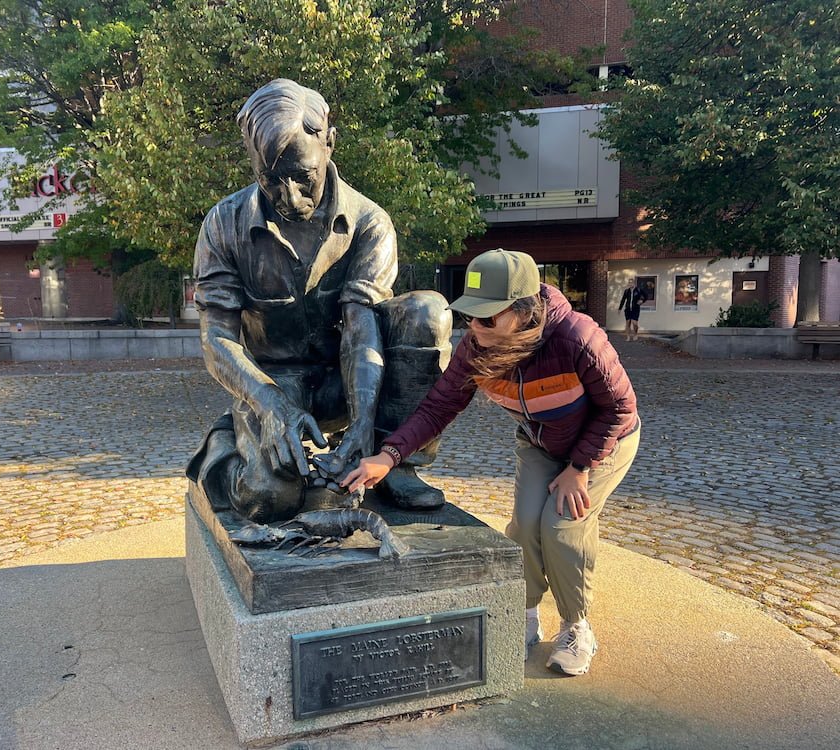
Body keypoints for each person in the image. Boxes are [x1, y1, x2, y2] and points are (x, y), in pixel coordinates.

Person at [342, 249, 640, 676]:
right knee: (522, 527)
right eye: (470, 317)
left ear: (522, 310)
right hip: (541, 442)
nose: (475, 328)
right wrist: (389, 456)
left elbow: (620, 409)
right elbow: (438, 407)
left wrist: (579, 469)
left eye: (487, 318)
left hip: (602, 444)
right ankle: (525, 614)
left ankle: (576, 625)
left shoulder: (576, 338)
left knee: (560, 527)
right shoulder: (476, 348)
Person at [187, 79, 451, 523]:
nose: (289, 197)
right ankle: (226, 442)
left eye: (302, 177)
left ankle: (397, 461)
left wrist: (365, 424)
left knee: (427, 312)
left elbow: (360, 327)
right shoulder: (223, 225)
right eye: (270, 180)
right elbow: (216, 339)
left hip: (346, 381)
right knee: (269, 500)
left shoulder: (370, 223)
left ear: (329, 142)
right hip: (273, 382)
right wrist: (266, 404)